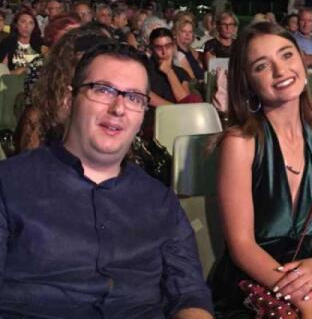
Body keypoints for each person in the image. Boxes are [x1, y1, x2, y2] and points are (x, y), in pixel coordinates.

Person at [0, 44, 213, 318]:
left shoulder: (160, 201)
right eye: (103, 90)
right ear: (69, 100)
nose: (118, 108)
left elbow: (188, 294)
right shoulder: (9, 185)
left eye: (134, 97)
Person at [209, 21, 312, 319]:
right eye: (261, 66)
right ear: (248, 82)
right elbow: (241, 246)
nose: (281, 70)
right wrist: (307, 302)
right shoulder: (240, 144)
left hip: (310, 274)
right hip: (252, 280)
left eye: (287, 55)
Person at [0, 9, 43, 74]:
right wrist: (17, 72)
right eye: (23, 22)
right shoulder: (7, 43)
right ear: (16, 24)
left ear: (34, 26)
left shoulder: (41, 43)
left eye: (31, 23)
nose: (27, 26)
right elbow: (3, 73)